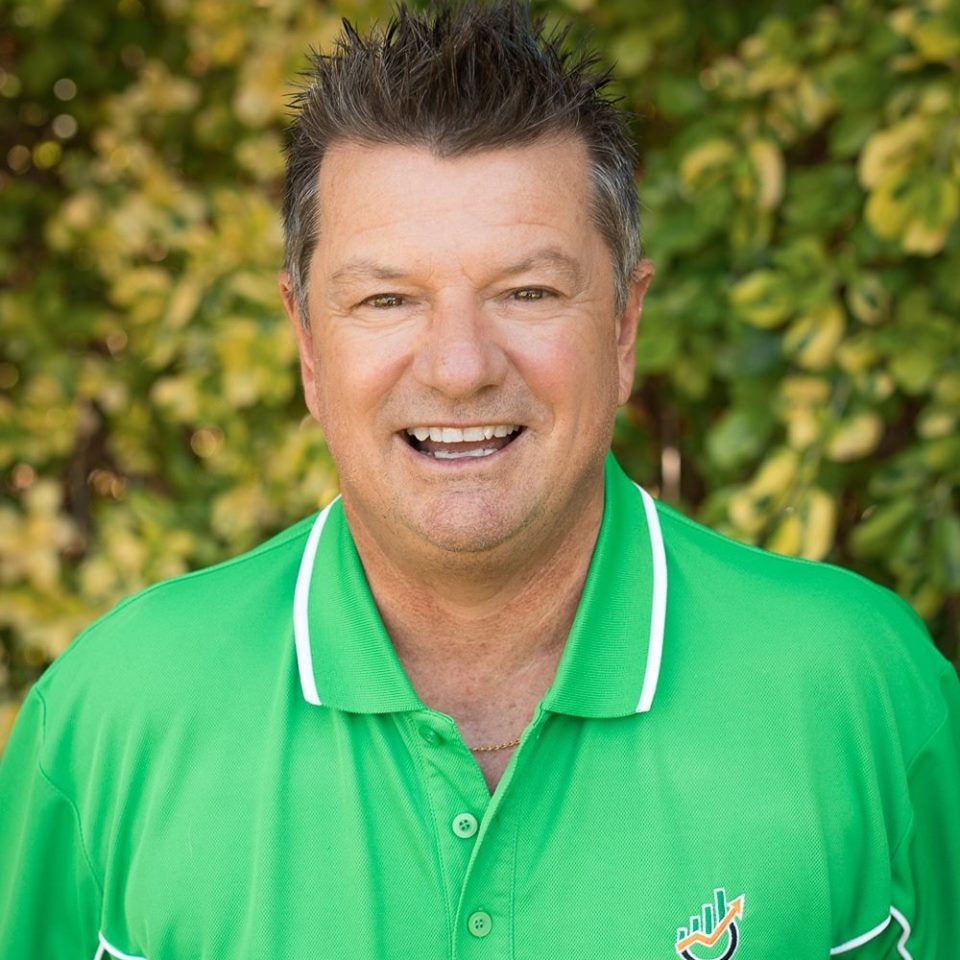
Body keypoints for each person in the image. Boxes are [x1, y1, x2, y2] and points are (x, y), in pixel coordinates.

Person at [1, 2, 958, 957]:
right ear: (305, 343)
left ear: (623, 327)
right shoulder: (109, 721)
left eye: (527, 292)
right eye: (387, 299)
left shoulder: (863, 692)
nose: (459, 367)